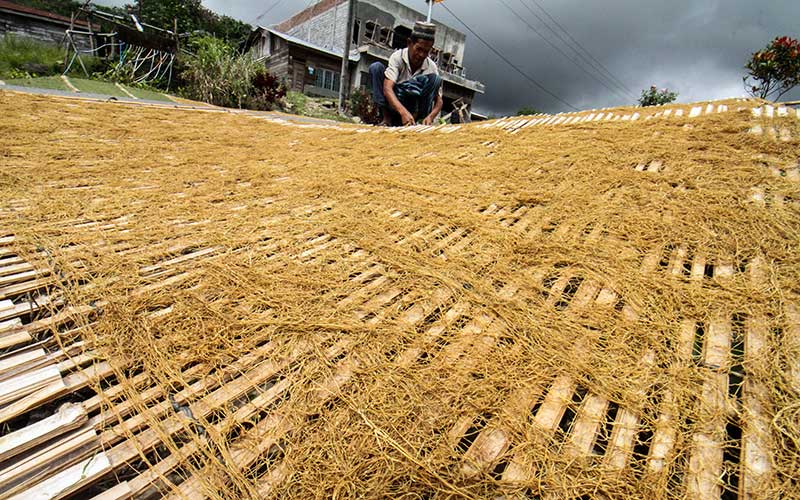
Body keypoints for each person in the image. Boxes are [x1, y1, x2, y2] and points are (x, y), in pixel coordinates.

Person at [369, 21, 444, 126]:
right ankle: (387, 119)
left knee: (435, 79)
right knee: (376, 67)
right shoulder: (398, 57)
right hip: (395, 105)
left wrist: (430, 116)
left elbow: (439, 101)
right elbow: (387, 88)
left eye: (426, 51)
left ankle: (417, 120)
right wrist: (403, 112)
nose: (421, 55)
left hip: (414, 107)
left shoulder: (431, 67)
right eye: (418, 49)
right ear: (409, 43)